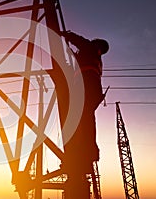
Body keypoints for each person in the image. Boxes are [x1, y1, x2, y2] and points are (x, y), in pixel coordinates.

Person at [60, 31, 109, 198]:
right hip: (93, 90)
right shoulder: (95, 57)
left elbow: (79, 41)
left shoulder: (89, 48)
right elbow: (79, 60)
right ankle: (89, 151)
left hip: (86, 87)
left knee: (83, 120)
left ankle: (84, 150)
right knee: (87, 120)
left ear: (96, 43)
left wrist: (65, 34)